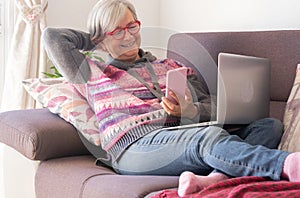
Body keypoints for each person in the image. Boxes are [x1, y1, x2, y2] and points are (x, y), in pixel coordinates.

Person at [42, 0, 300, 196]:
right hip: (133, 148)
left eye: (132, 26)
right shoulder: (91, 71)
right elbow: (53, 37)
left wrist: (190, 110)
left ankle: (217, 178)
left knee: (269, 125)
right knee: (209, 138)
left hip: (181, 136)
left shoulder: (171, 66)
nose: (129, 36)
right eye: (117, 32)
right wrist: (99, 39)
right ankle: (288, 165)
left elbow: (215, 106)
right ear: (100, 38)